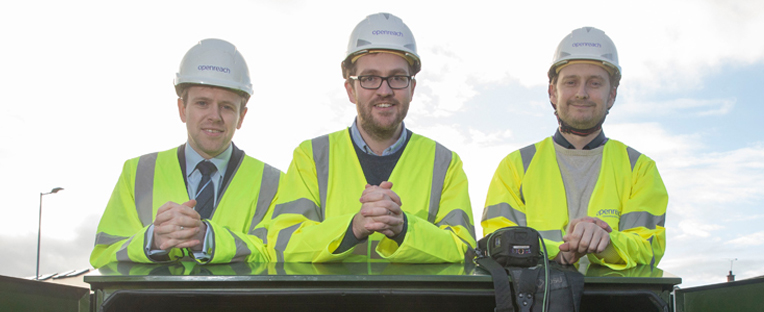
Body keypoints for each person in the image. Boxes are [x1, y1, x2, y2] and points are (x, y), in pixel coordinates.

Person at [268, 13, 476, 263]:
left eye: (398, 78)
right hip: (330, 303)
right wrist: (353, 228)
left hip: (413, 303)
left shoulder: (445, 163)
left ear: (412, 88)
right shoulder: (311, 156)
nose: (385, 90)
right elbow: (283, 245)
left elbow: (463, 250)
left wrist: (404, 229)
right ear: (350, 90)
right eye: (370, 78)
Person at [482, 27, 668, 270]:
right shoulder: (516, 166)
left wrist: (608, 243)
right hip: (532, 305)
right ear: (552, 92)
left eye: (594, 83)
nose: (581, 93)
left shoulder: (640, 169)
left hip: (617, 305)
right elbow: (497, 244)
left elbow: (649, 249)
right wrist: (557, 252)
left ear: (611, 95)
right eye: (571, 82)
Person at [90, 39, 282, 268]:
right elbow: (103, 257)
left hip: (238, 304)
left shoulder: (276, 183)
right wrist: (152, 240)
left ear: (242, 116)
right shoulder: (137, 173)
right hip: (157, 305)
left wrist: (208, 239)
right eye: (202, 103)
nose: (214, 116)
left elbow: (281, 257)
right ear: (182, 109)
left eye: (227, 107)